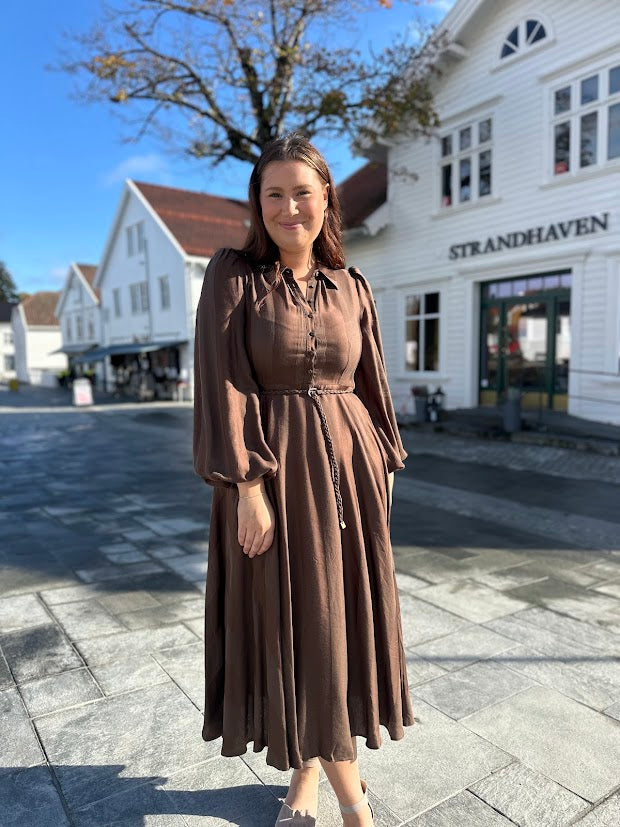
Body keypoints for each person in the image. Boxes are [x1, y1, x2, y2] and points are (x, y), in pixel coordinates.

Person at [193, 133, 415, 826]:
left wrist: (384, 472)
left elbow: (374, 389)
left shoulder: (355, 286)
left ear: (327, 200)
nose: (290, 206)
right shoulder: (235, 275)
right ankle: (357, 806)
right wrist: (248, 488)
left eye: (303, 192)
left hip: (353, 477)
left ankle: (306, 778)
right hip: (276, 476)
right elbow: (223, 382)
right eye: (274, 194)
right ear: (258, 206)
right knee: (300, 630)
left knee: (336, 630)